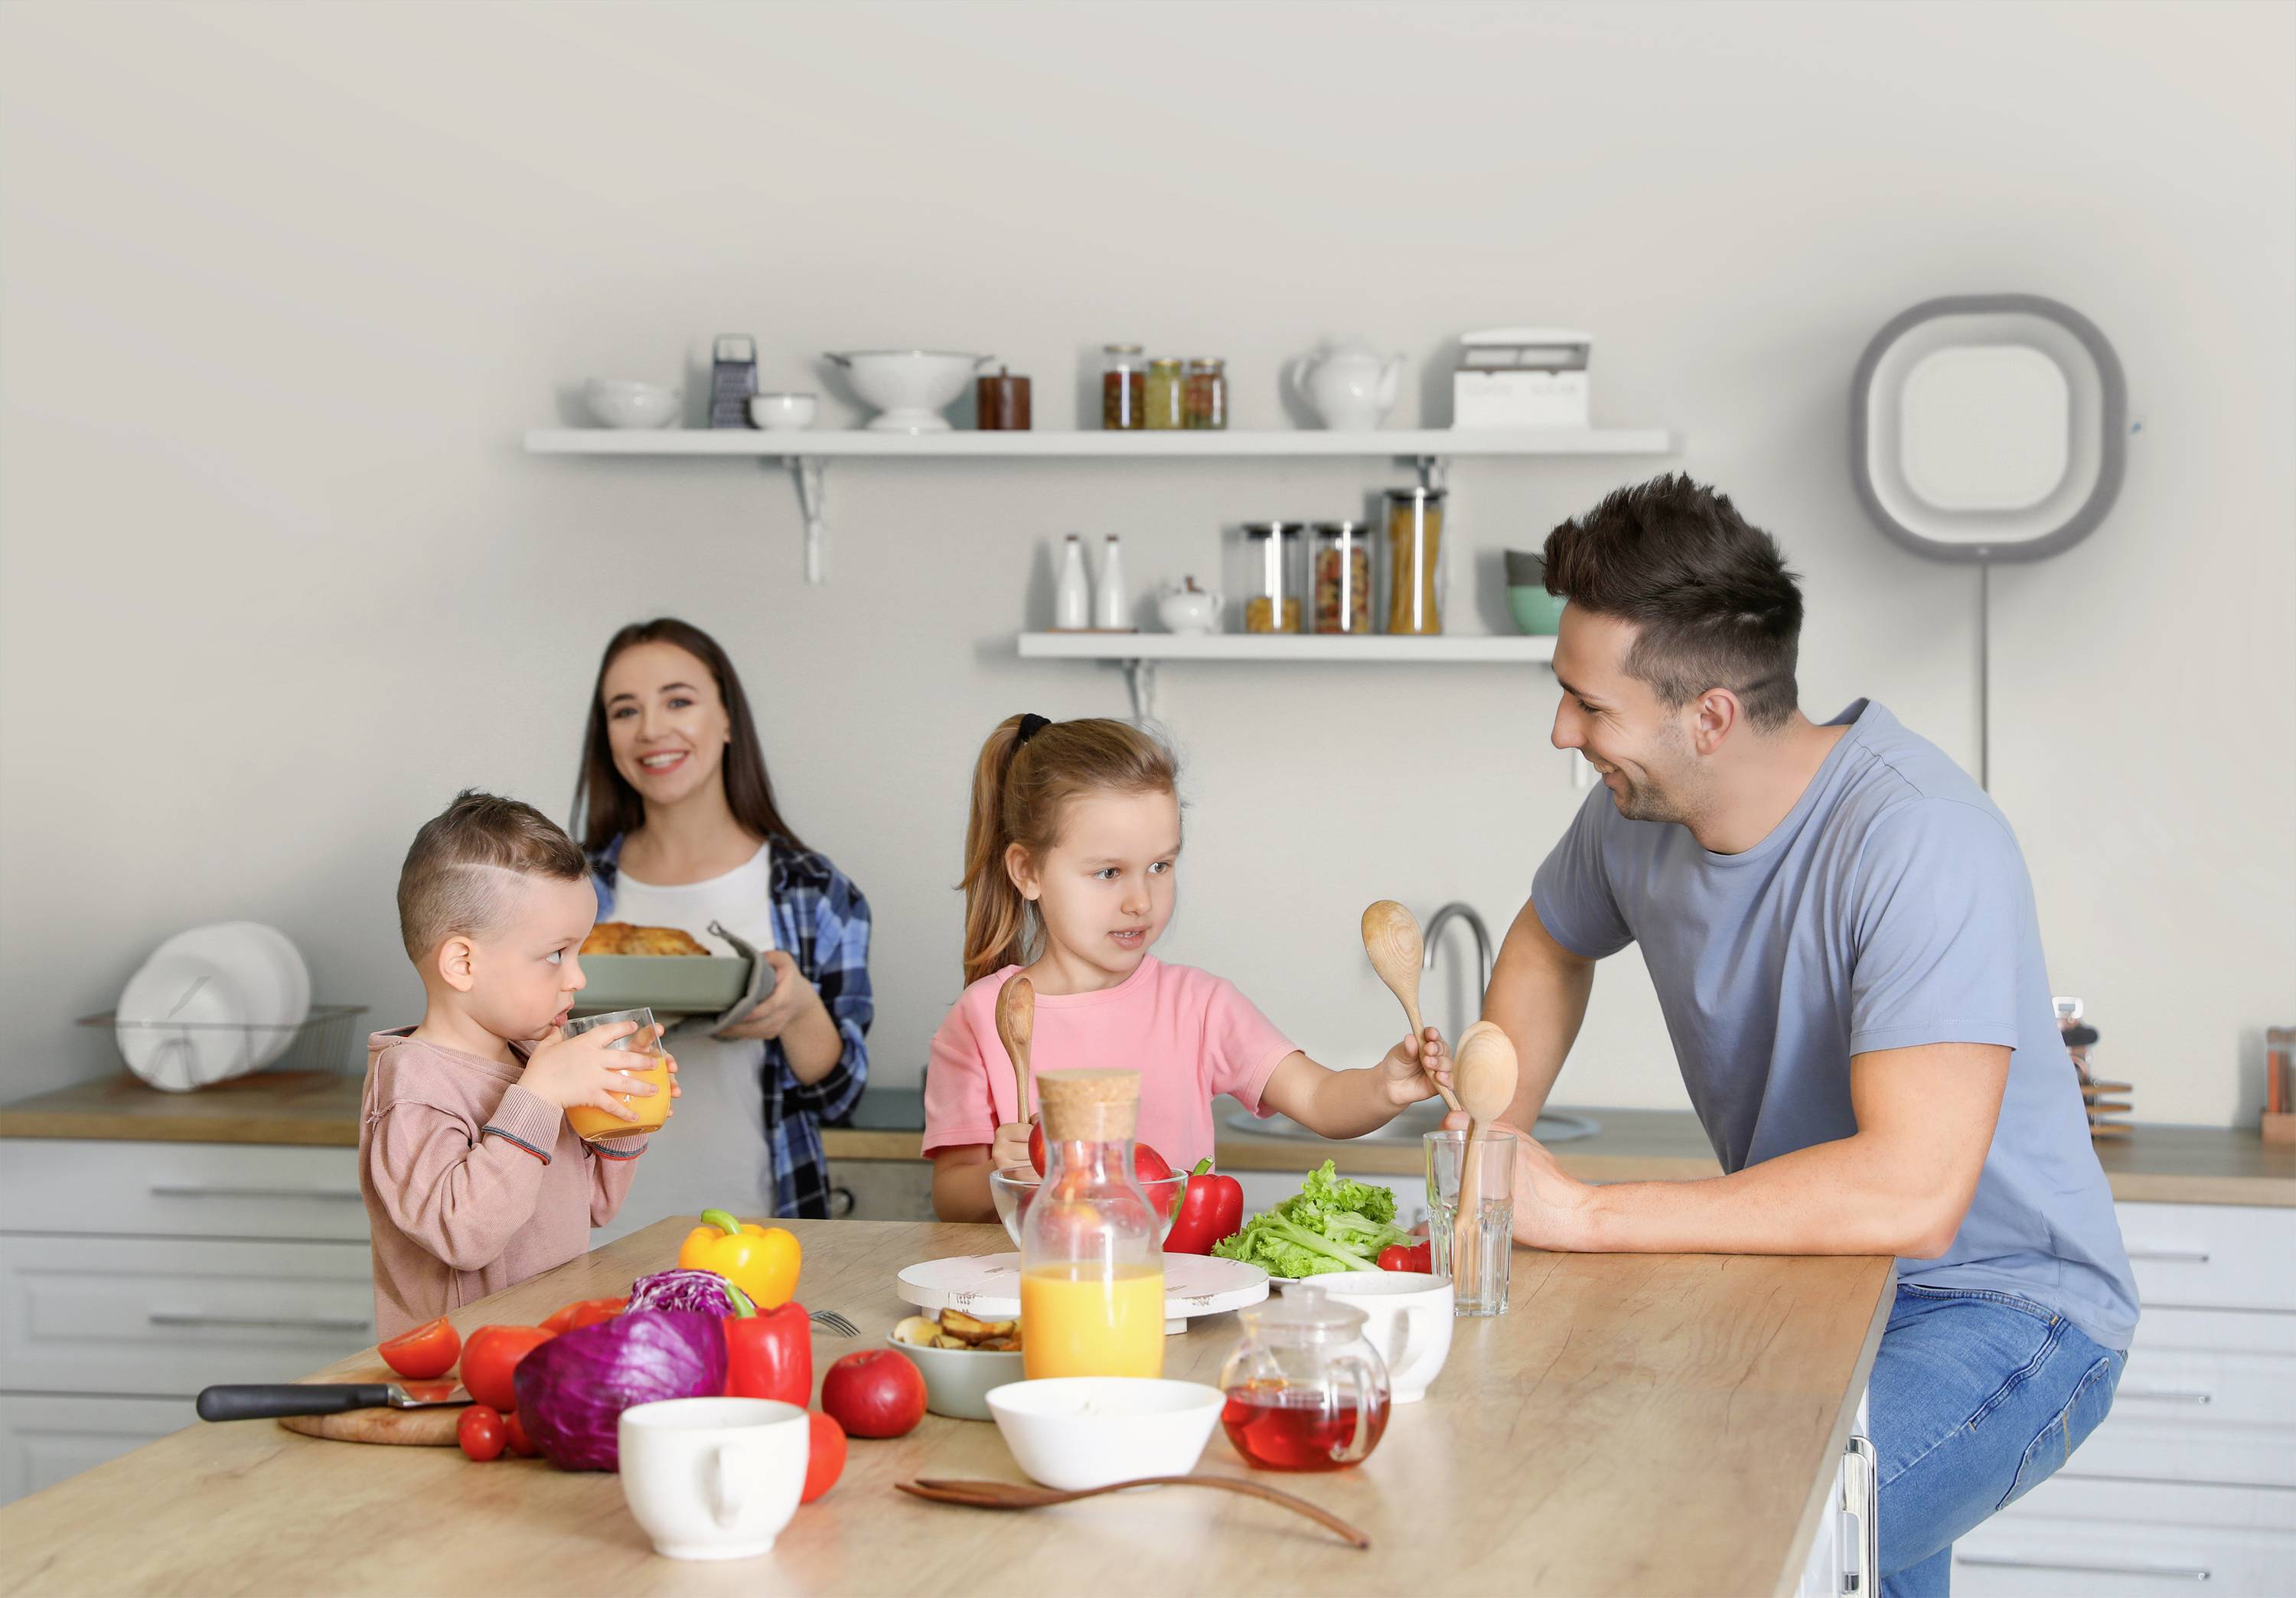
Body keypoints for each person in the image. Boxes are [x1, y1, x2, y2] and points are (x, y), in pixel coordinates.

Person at [1466, 475, 2136, 1596]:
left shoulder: (1921, 841)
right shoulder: (1636, 815)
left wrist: (1582, 1213)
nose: (1562, 731)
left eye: (1591, 707)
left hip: (2001, 1305)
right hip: (1809, 1275)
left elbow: (1912, 1192)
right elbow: (1550, 937)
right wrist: (1496, 1144)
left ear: (1711, 718)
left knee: (1732, 1544)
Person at [923, 713, 1452, 1222]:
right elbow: (951, 1195)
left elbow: (1318, 1098)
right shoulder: (983, 1018)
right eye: (1108, 872)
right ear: (1028, 871)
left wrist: (1386, 1088)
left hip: (1179, 1301)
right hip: (1041, 1297)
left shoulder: (1201, 1006)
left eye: (1160, 866)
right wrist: (1002, 1170)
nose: (1140, 901)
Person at [576, 618, 871, 1221]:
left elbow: (841, 1099)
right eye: (625, 711)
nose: (652, 730)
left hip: (752, 1231)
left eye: (678, 701)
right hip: (587, 1238)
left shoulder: (812, 891)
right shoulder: (568, 890)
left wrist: (797, 1008)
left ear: (728, 717)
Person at [360, 790, 676, 1339]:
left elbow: (596, 1206)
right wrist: (538, 1099)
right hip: (460, 1377)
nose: (577, 978)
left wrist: (624, 1114)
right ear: (462, 963)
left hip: (547, 1351)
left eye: (579, 953)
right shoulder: (414, 1085)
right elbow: (463, 1234)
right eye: (557, 954)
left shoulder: (535, 1061)